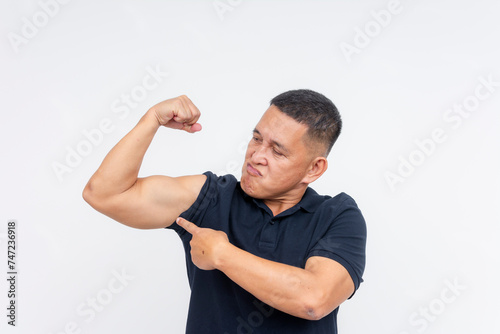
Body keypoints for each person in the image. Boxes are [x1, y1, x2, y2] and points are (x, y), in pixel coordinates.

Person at [83, 89, 367, 334]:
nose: (256, 156)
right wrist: (152, 119)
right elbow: (105, 194)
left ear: (313, 168)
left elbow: (313, 299)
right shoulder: (212, 197)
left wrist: (221, 254)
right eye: (257, 139)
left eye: (277, 152)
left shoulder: (337, 215)